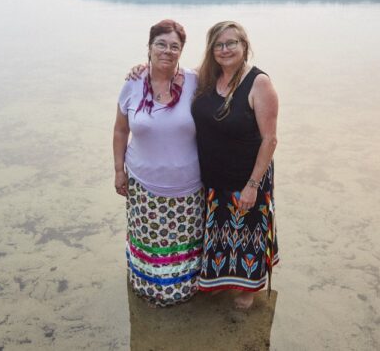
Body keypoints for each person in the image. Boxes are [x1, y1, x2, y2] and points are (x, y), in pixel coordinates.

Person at [113, 19, 205, 307]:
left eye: (174, 46)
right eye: (161, 44)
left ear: (182, 51)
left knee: (183, 244)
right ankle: (148, 289)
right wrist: (119, 171)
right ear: (149, 47)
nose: (167, 50)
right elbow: (120, 130)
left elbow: (230, 80)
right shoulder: (132, 83)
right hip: (143, 185)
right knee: (149, 242)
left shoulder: (196, 81)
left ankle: (183, 292)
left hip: (188, 188)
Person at [191, 21, 279, 310]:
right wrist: (142, 69)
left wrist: (253, 185)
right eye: (219, 44)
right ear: (211, 50)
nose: (225, 49)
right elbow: (169, 73)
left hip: (247, 176)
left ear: (245, 46)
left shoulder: (258, 83)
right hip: (214, 176)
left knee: (248, 233)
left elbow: (269, 140)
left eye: (232, 43)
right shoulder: (205, 78)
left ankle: (248, 288)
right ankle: (219, 280)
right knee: (219, 231)